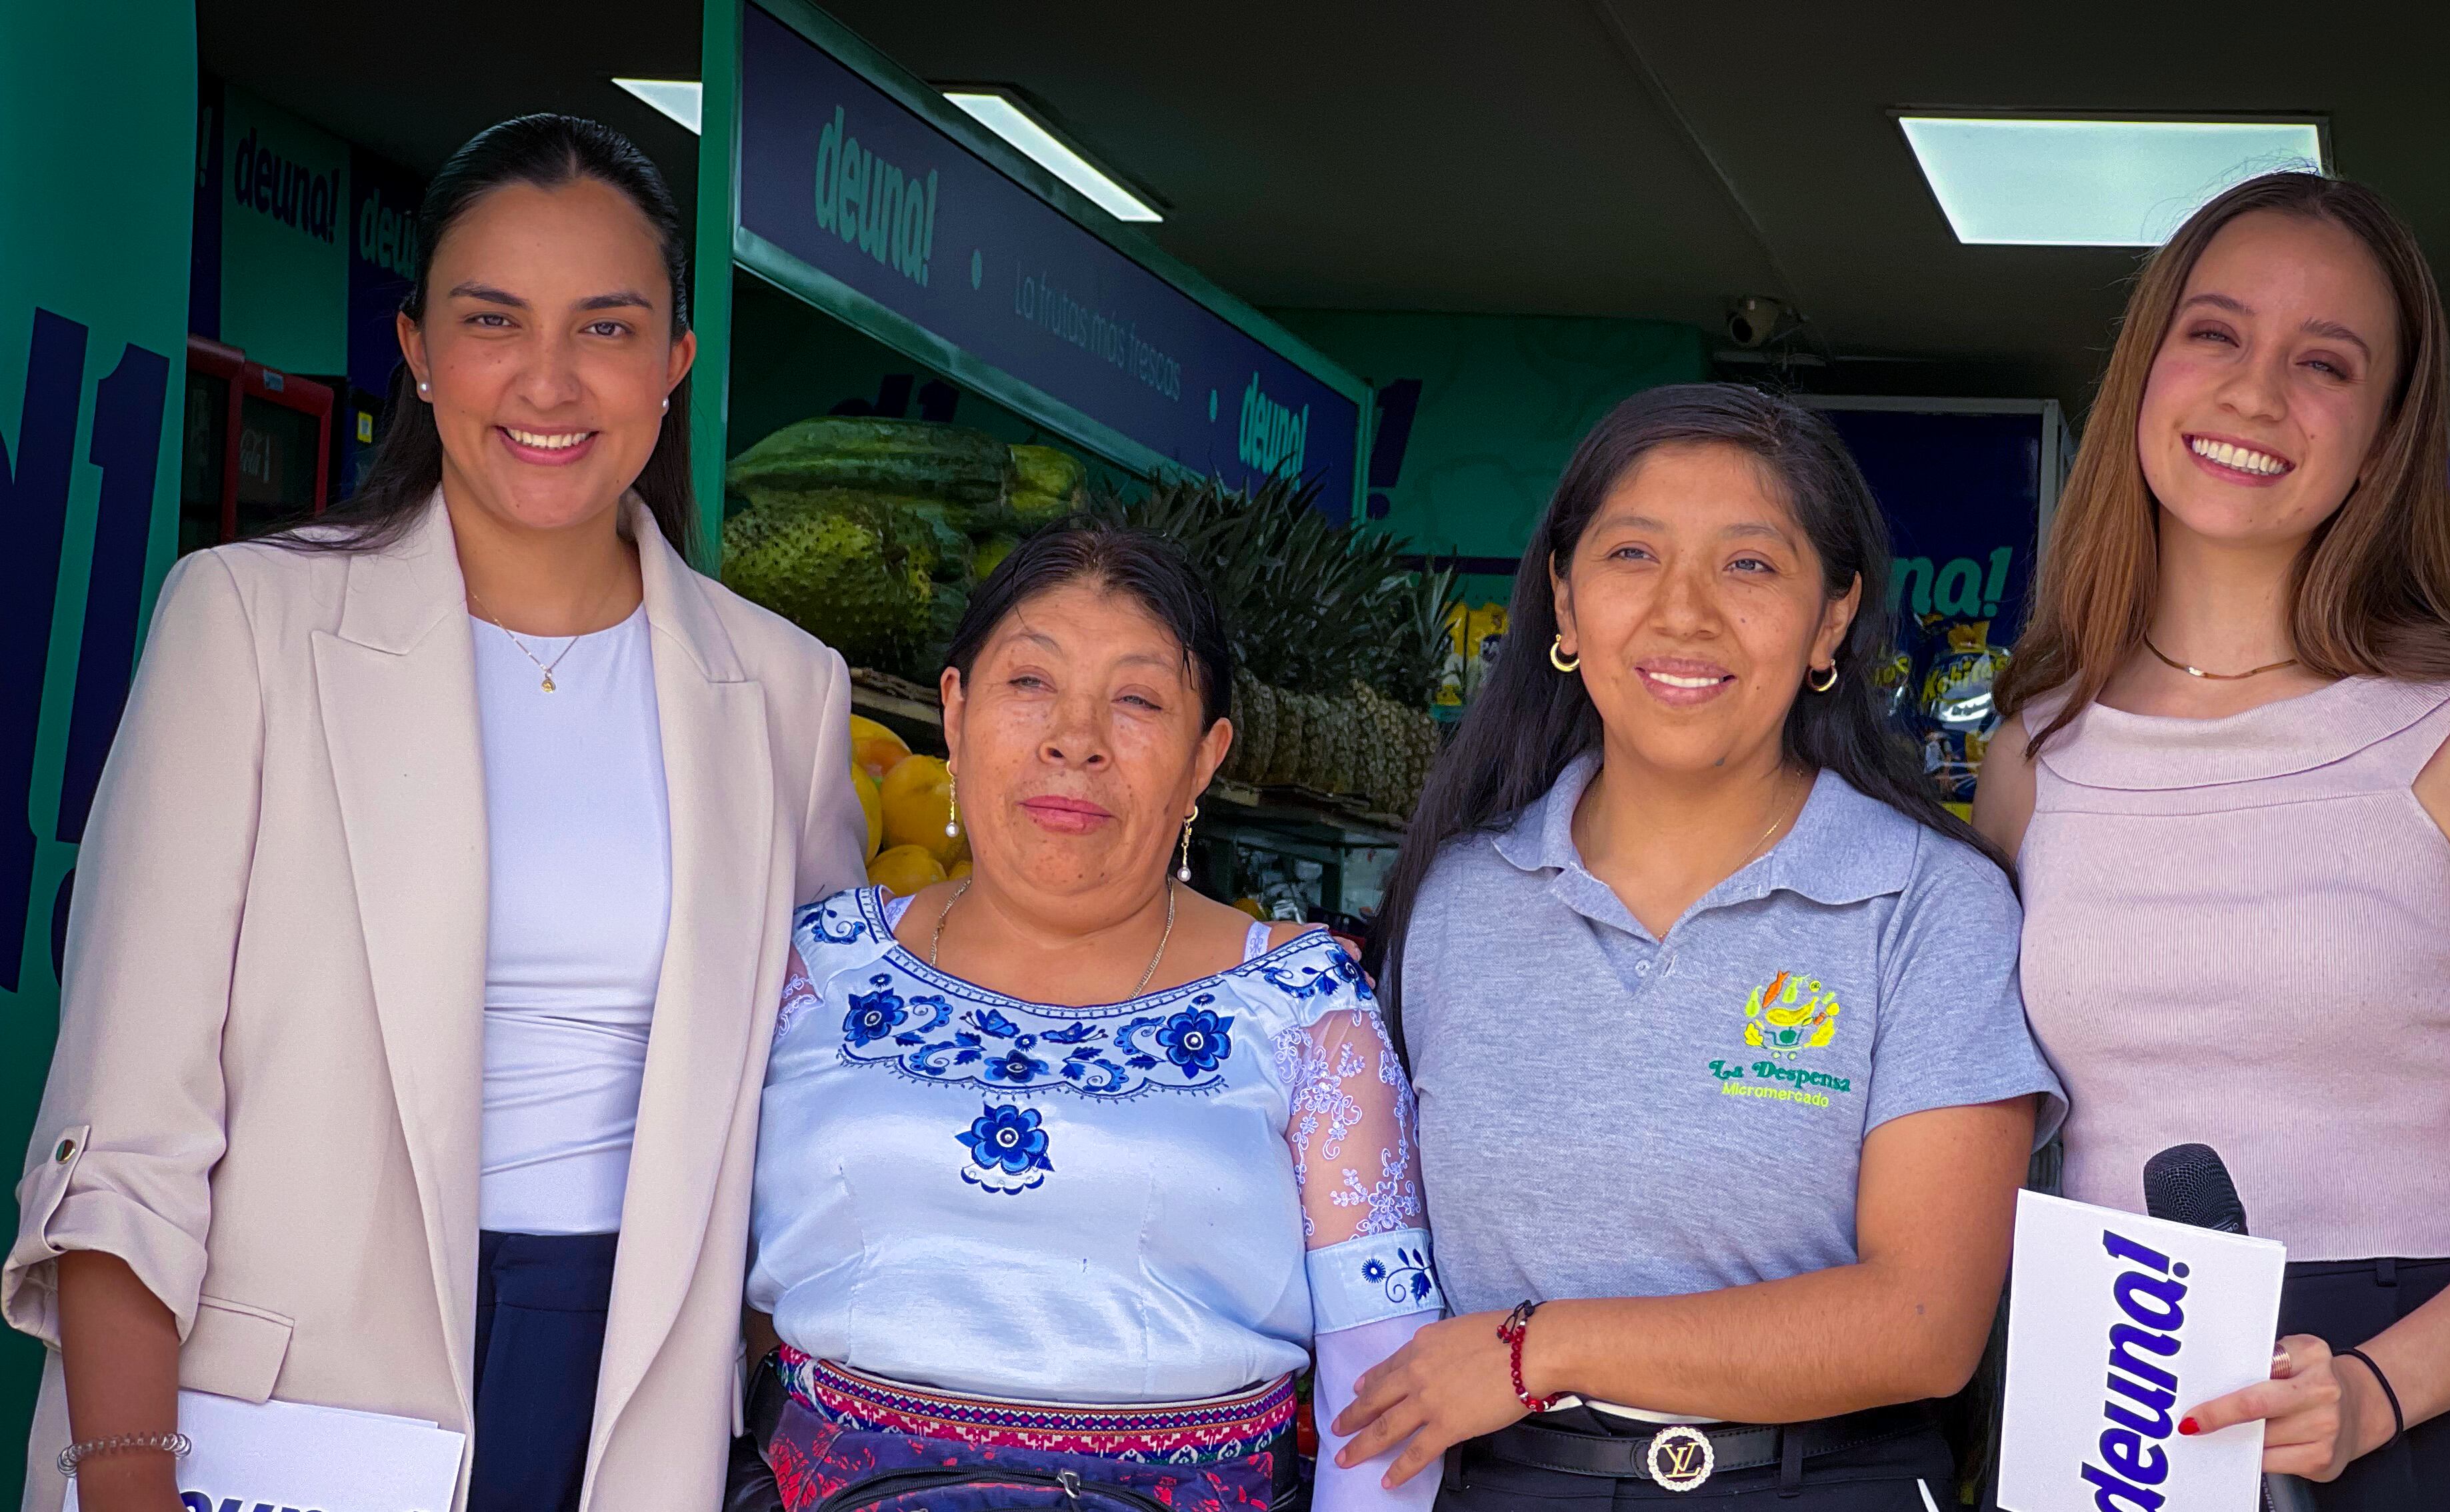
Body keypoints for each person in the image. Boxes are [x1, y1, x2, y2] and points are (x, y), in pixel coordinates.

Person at [2, 115, 867, 1512]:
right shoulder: (252, 624)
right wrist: (122, 1475)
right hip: (286, 1413)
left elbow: (817, 1113)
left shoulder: (780, 691)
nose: (548, 378)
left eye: (606, 327)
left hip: (631, 1402)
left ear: (675, 363)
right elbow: (123, 1133)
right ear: (414, 346)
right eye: (492, 320)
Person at [1975, 171, 2450, 1509]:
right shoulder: (2031, 756)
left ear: (2382, 437)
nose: (2255, 392)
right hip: (2124, 1414)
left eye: (2326, 363)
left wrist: (2378, 1390)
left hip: (2431, 1406)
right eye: (2216, 334)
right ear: (2145, 375)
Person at [1341, 385, 2063, 1512]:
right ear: (1565, 607)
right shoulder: (1459, 896)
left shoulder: (1931, 906)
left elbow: (1924, 1327)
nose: (1685, 613)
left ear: (1832, 621)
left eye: (1751, 566)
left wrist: (1543, 1349)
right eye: (1633, 554)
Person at [743, 517, 1443, 1512]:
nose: (1075, 739)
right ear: (954, 707)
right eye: (1030, 684)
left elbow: (1386, 1382)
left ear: (1207, 756)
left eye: (1138, 700)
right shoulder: (815, 968)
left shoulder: (1302, 1011)